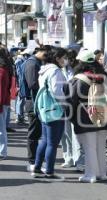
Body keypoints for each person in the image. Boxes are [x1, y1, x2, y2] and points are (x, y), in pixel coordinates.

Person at [64, 49, 107, 183]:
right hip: (103, 116)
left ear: (80, 62)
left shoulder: (78, 80)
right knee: (100, 147)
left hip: (85, 118)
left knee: (89, 148)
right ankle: (101, 173)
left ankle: (90, 175)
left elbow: (70, 101)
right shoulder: (104, 77)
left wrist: (71, 118)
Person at [31, 47, 67, 179]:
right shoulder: (55, 71)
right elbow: (56, 91)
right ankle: (49, 171)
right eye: (64, 57)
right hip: (55, 109)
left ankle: (37, 168)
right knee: (52, 143)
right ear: (57, 58)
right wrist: (65, 103)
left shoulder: (44, 69)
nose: (65, 60)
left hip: (44, 109)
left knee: (45, 140)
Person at [24, 47, 48, 171]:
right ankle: (32, 161)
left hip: (36, 102)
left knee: (38, 133)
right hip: (33, 103)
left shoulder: (35, 62)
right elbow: (33, 84)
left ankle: (35, 160)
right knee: (34, 133)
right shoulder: (32, 64)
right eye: (46, 55)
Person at [0, 47, 13, 160]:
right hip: (4, 101)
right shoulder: (5, 69)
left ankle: (2, 152)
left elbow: (1, 90)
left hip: (1, 102)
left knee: (1, 129)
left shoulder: (2, 71)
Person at [15, 49, 33, 125]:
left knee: (21, 100)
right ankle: (19, 117)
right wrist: (19, 85)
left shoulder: (22, 60)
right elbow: (19, 74)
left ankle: (20, 115)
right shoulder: (19, 61)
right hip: (20, 82)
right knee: (20, 99)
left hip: (21, 82)